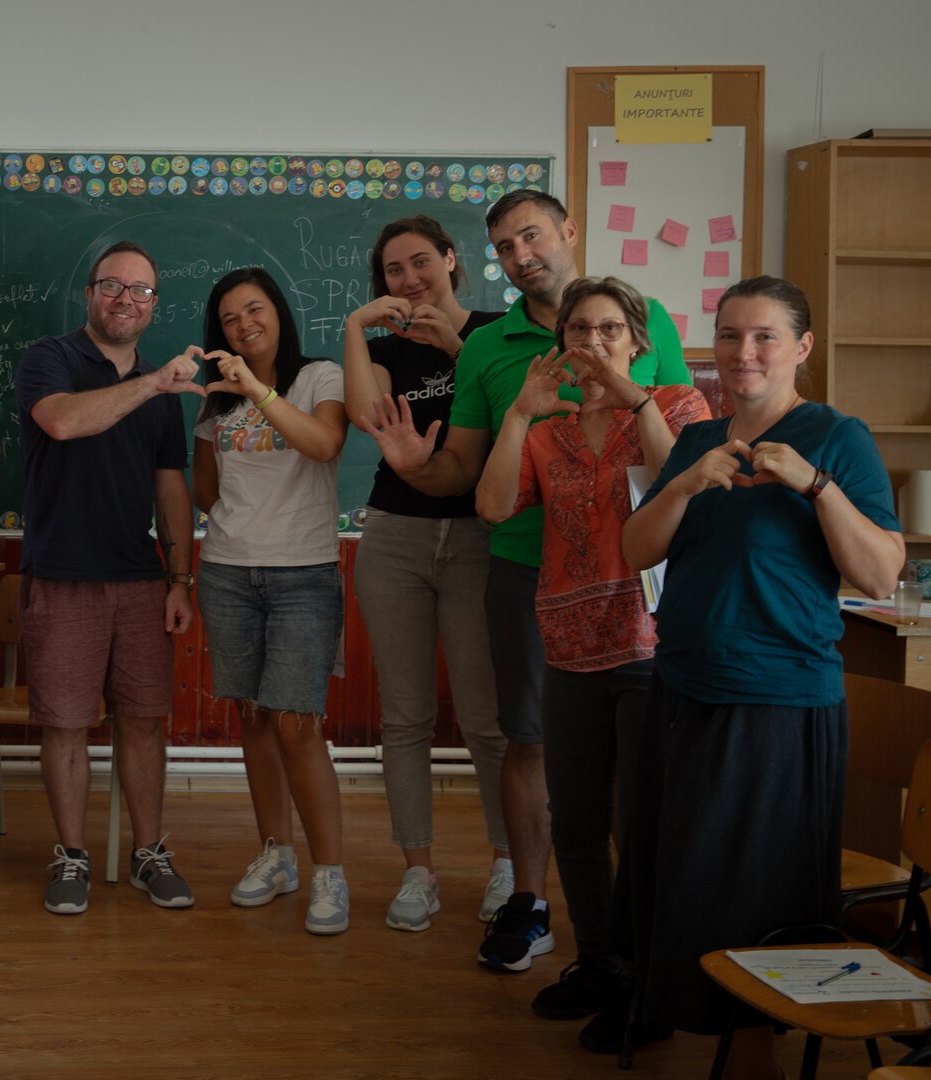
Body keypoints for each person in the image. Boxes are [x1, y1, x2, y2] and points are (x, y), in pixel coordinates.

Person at [360, 189, 691, 976]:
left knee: (630, 758)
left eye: (530, 237)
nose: (518, 256)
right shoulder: (488, 348)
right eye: (503, 248)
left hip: (634, 575)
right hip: (524, 569)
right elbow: (471, 477)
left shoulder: (646, 324)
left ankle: (631, 931)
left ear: (568, 232)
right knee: (529, 739)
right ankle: (532, 903)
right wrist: (414, 465)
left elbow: (680, 446)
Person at [621, 277, 902, 1078]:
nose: (743, 353)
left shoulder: (835, 437)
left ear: (801, 348)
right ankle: (682, 1022)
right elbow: (635, 552)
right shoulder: (694, 441)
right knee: (680, 871)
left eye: (764, 337)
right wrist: (683, 481)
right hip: (680, 689)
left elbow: (880, 575)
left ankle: (752, 1058)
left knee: (753, 891)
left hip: (777, 699)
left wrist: (813, 486)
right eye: (730, 335)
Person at [475, 276, 710, 1052]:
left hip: (650, 645)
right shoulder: (551, 429)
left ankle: (652, 982)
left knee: (638, 820)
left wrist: (633, 399)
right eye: (579, 329)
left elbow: (686, 486)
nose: (594, 341)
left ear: (637, 341)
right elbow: (491, 505)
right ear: (560, 344)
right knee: (573, 818)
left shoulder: (676, 406)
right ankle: (601, 962)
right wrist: (517, 412)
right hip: (568, 647)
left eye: (610, 329)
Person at [14, 240, 203, 915]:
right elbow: (62, 423)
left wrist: (179, 577)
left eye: (141, 290)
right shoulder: (50, 358)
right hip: (62, 575)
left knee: (145, 721)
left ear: (154, 305)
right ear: (90, 293)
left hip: (138, 580)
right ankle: (71, 856)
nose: (126, 298)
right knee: (65, 725)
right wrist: (153, 384)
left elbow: (170, 487)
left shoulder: (163, 388)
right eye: (113, 286)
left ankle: (149, 852)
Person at [342, 215, 513, 935]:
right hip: (393, 539)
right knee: (404, 716)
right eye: (392, 271)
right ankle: (419, 869)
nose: (408, 280)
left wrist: (460, 344)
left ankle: (509, 865)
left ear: (451, 260)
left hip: (480, 535)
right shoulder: (382, 348)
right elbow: (360, 413)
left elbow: (514, 413)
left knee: (487, 720)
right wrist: (354, 327)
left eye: (421, 263)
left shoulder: (499, 332)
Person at [190, 267, 351, 933]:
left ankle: (330, 875)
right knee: (254, 718)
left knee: (295, 723)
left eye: (253, 310)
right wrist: (230, 398)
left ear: (278, 312)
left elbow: (323, 445)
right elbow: (206, 491)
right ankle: (275, 855)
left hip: (301, 573)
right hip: (227, 571)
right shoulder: (214, 400)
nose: (243, 325)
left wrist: (256, 389)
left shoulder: (320, 378)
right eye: (228, 318)